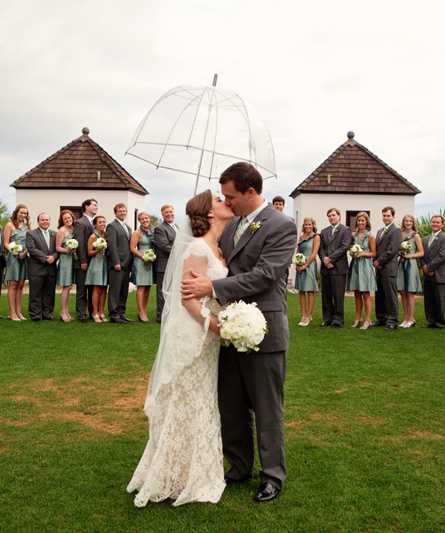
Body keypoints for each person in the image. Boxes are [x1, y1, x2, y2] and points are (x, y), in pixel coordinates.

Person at [181, 162, 297, 503]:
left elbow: (266, 274)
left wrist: (212, 286)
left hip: (264, 330)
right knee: (230, 405)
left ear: (251, 192)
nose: (227, 202)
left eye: (231, 196)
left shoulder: (282, 226)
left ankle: (272, 475)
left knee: (267, 407)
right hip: (229, 330)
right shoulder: (231, 228)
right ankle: (239, 465)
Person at [127, 190, 234, 507]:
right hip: (193, 334)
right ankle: (173, 476)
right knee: (185, 400)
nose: (225, 201)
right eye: (218, 199)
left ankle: (193, 471)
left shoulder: (218, 246)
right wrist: (220, 328)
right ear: (209, 213)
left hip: (209, 336)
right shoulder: (199, 247)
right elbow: (188, 299)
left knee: (201, 400)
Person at [318, 208, 352, 328]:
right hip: (326, 268)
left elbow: (344, 247)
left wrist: (330, 259)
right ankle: (327, 318)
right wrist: (325, 260)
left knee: (338, 295)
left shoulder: (346, 230)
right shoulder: (324, 231)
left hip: (338, 267)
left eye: (333, 215)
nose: (331, 217)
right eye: (329, 215)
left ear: (339, 216)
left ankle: (338, 319)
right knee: (326, 295)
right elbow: (320, 248)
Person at [372, 206, 402, 330]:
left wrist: (379, 261)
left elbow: (392, 250)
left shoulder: (396, 231)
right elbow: (376, 249)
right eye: (384, 215)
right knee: (379, 294)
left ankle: (393, 321)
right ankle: (381, 318)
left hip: (389, 268)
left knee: (390, 295)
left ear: (393, 216)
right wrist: (375, 261)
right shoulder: (380, 231)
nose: (386, 217)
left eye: (388, 215)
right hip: (379, 268)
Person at [25, 213, 59, 321]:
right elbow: (31, 248)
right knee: (35, 293)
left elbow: (58, 249)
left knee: (49, 293)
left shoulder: (55, 234)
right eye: (42, 220)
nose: (45, 222)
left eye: (47, 220)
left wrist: (54, 257)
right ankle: (35, 314)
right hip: (37, 268)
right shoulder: (31, 234)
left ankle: (47, 314)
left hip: (51, 269)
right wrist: (45, 258)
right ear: (38, 221)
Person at [347, 212, 377, 329]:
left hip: (365, 265)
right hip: (355, 265)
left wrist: (362, 253)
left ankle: (368, 319)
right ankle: (358, 318)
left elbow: (374, 253)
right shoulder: (353, 235)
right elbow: (350, 248)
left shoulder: (370, 236)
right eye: (359, 221)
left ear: (366, 222)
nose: (360, 223)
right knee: (356, 293)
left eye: (362, 221)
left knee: (365, 293)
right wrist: (352, 253)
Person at [420, 214, 445, 329]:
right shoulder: (425, 239)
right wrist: (424, 267)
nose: (435, 224)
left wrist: (430, 267)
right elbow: (421, 255)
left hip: (439, 274)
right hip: (427, 274)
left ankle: (440, 322)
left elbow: (442, 256)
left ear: (442, 224)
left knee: (439, 300)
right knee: (428, 299)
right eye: (433, 222)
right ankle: (431, 321)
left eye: (438, 222)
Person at [106, 203, 133, 324]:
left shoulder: (127, 227)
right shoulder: (112, 226)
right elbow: (112, 245)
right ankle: (114, 314)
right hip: (117, 264)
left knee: (123, 291)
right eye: (120, 211)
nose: (122, 213)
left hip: (127, 263)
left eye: (124, 211)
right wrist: (116, 262)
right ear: (115, 213)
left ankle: (122, 313)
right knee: (115, 291)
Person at [3, 204, 29, 321]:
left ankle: (19, 312)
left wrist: (25, 252)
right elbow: (6, 243)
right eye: (21, 213)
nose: (23, 215)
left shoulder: (27, 226)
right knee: (13, 284)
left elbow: (30, 241)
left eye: (25, 213)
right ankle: (12, 312)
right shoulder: (10, 225)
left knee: (21, 284)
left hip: (25, 257)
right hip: (14, 257)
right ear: (16, 212)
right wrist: (15, 252)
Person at [397, 214, 424, 328]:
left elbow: (421, 252)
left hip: (411, 264)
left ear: (413, 223)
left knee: (409, 292)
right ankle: (405, 317)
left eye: (410, 221)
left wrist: (410, 256)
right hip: (401, 263)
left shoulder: (416, 236)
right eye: (406, 221)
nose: (408, 223)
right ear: (403, 222)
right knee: (402, 292)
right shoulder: (400, 234)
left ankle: (411, 318)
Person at [73, 199, 98, 322]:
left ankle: (93, 312)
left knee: (93, 288)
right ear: (86, 207)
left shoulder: (95, 223)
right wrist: (83, 261)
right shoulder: (80, 223)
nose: (96, 207)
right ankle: (81, 314)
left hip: (94, 261)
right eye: (94, 205)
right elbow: (80, 243)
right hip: (83, 261)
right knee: (82, 289)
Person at [153, 204, 177, 322]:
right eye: (166, 212)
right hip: (164, 265)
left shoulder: (176, 227)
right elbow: (164, 246)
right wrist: (180, 253)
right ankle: (161, 315)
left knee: (172, 290)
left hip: (175, 265)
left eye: (170, 212)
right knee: (163, 291)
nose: (169, 214)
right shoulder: (160, 229)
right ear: (162, 215)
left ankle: (171, 313)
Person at [294, 216, 320, 326]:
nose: (308, 226)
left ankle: (309, 315)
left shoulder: (316, 237)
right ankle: (303, 314)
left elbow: (314, 254)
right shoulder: (301, 237)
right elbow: (298, 251)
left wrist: (305, 265)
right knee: (301, 291)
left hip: (309, 264)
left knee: (309, 291)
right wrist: (297, 263)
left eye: (309, 224)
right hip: (300, 265)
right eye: (306, 224)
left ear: (313, 225)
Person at [131, 211, 155, 323]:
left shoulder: (153, 231)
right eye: (142, 219)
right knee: (141, 287)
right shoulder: (137, 232)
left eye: (146, 218)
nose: (145, 220)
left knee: (148, 287)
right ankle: (141, 313)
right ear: (139, 221)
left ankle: (144, 311)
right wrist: (144, 257)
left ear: (149, 218)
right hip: (141, 261)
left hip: (151, 261)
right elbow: (132, 248)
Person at [86, 215, 109, 323]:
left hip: (106, 262)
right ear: (95, 224)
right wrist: (98, 249)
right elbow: (89, 252)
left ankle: (101, 311)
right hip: (96, 262)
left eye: (103, 222)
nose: (102, 224)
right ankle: (94, 312)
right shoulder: (93, 236)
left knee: (104, 287)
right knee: (96, 287)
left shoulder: (106, 235)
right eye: (100, 222)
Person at [55, 210, 76, 322]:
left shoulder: (74, 228)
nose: (68, 220)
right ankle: (63, 311)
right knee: (66, 287)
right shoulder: (61, 231)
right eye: (65, 219)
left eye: (69, 218)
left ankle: (66, 311)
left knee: (70, 287)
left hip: (73, 259)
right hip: (65, 260)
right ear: (62, 221)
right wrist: (68, 250)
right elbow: (58, 248)